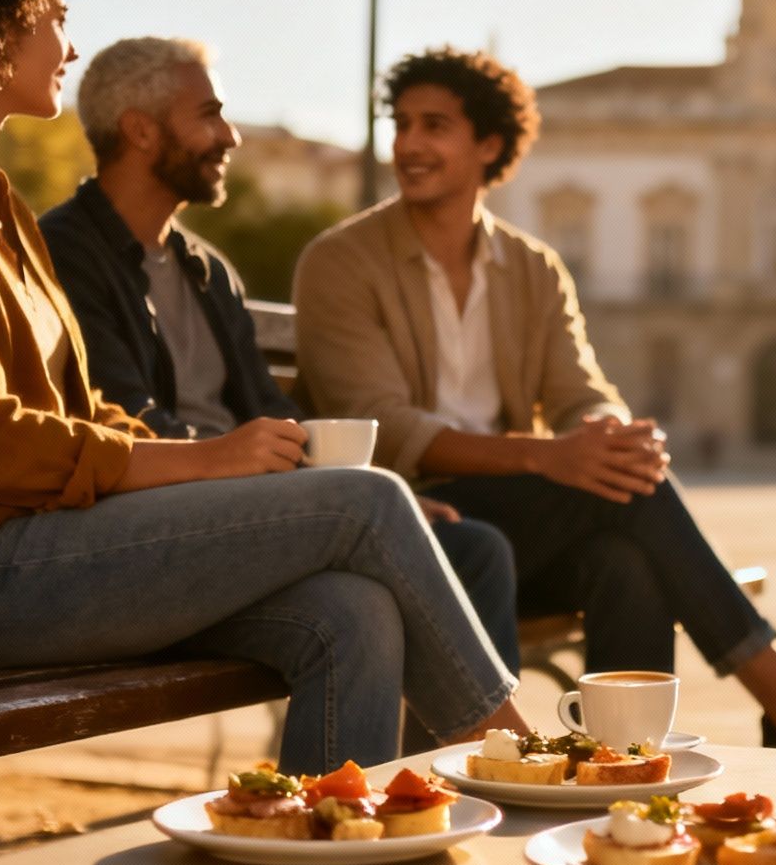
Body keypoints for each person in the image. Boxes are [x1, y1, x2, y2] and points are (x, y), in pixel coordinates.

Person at [0, 0, 529, 775]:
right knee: (363, 500)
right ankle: (519, 758)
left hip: (32, 547)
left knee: (349, 610)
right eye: (54, 14)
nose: (68, 46)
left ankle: (321, 854)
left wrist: (207, 456)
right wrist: (205, 462)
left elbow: (70, 411)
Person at [294, 47, 776, 750]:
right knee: (625, 503)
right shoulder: (343, 262)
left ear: (489, 144)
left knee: (629, 554)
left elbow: (582, 391)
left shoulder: (532, 268)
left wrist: (607, 434)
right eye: (401, 125)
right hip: (410, 514)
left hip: (516, 520)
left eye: (435, 126)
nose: (409, 144)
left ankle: (618, 766)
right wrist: (551, 457)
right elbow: (384, 425)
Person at [37, 37, 519, 673]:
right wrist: (348, 500)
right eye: (209, 114)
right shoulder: (63, 254)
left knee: (457, 555)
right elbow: (125, 419)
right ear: (141, 131)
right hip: (155, 530)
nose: (230, 135)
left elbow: (268, 409)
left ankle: (429, 771)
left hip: (247, 514)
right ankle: (503, 749)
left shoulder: (207, 270)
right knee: (369, 593)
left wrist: (371, 498)